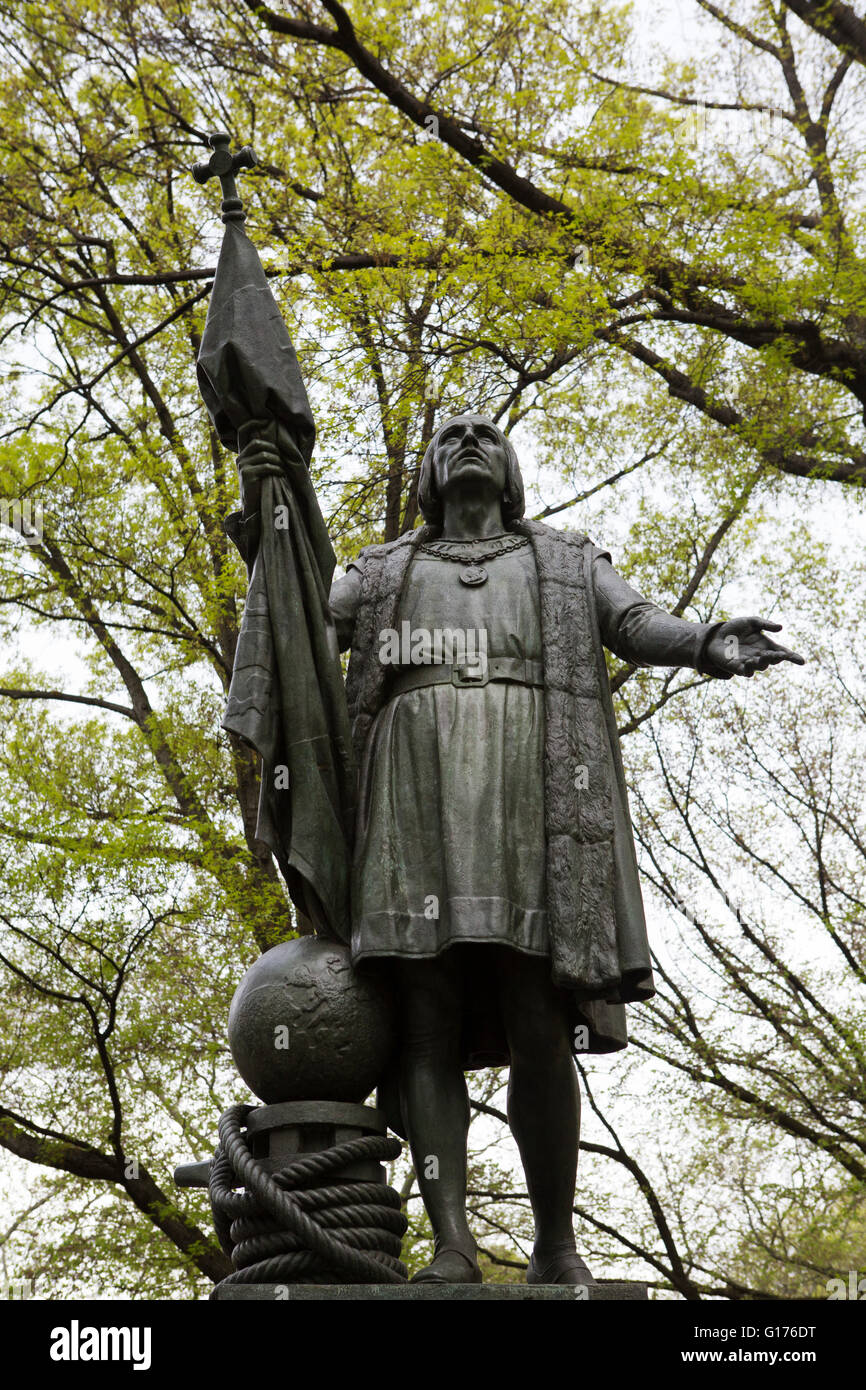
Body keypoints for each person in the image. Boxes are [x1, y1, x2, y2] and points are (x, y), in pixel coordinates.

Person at [234, 413, 803, 1285]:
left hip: (529, 787)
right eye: (450, 435)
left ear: (510, 472)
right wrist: (268, 541)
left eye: (485, 435)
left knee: (538, 1015)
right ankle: (453, 1243)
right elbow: (310, 633)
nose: (466, 440)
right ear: (427, 474)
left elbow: (636, 620)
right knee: (425, 1018)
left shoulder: (569, 560)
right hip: (411, 791)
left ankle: (553, 1244)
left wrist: (703, 644)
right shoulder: (386, 569)